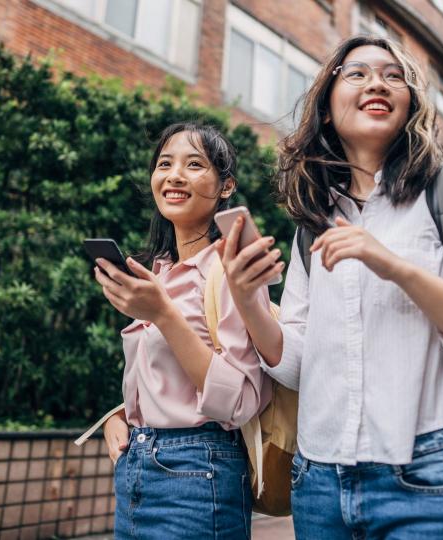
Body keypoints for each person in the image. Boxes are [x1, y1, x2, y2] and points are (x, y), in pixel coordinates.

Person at [218, 36, 443, 538]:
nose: (377, 83)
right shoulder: (314, 224)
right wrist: (248, 300)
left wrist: (395, 267)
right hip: (319, 482)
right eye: (358, 73)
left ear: (410, 104)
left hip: (431, 475)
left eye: (394, 76)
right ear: (325, 109)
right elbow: (299, 366)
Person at [91, 122, 272, 539]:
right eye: (164, 164)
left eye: (194, 165)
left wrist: (164, 316)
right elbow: (164, 380)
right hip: (137, 467)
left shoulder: (233, 270)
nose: (173, 175)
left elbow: (241, 401)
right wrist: (118, 419)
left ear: (226, 186)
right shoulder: (158, 273)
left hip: (199, 470)